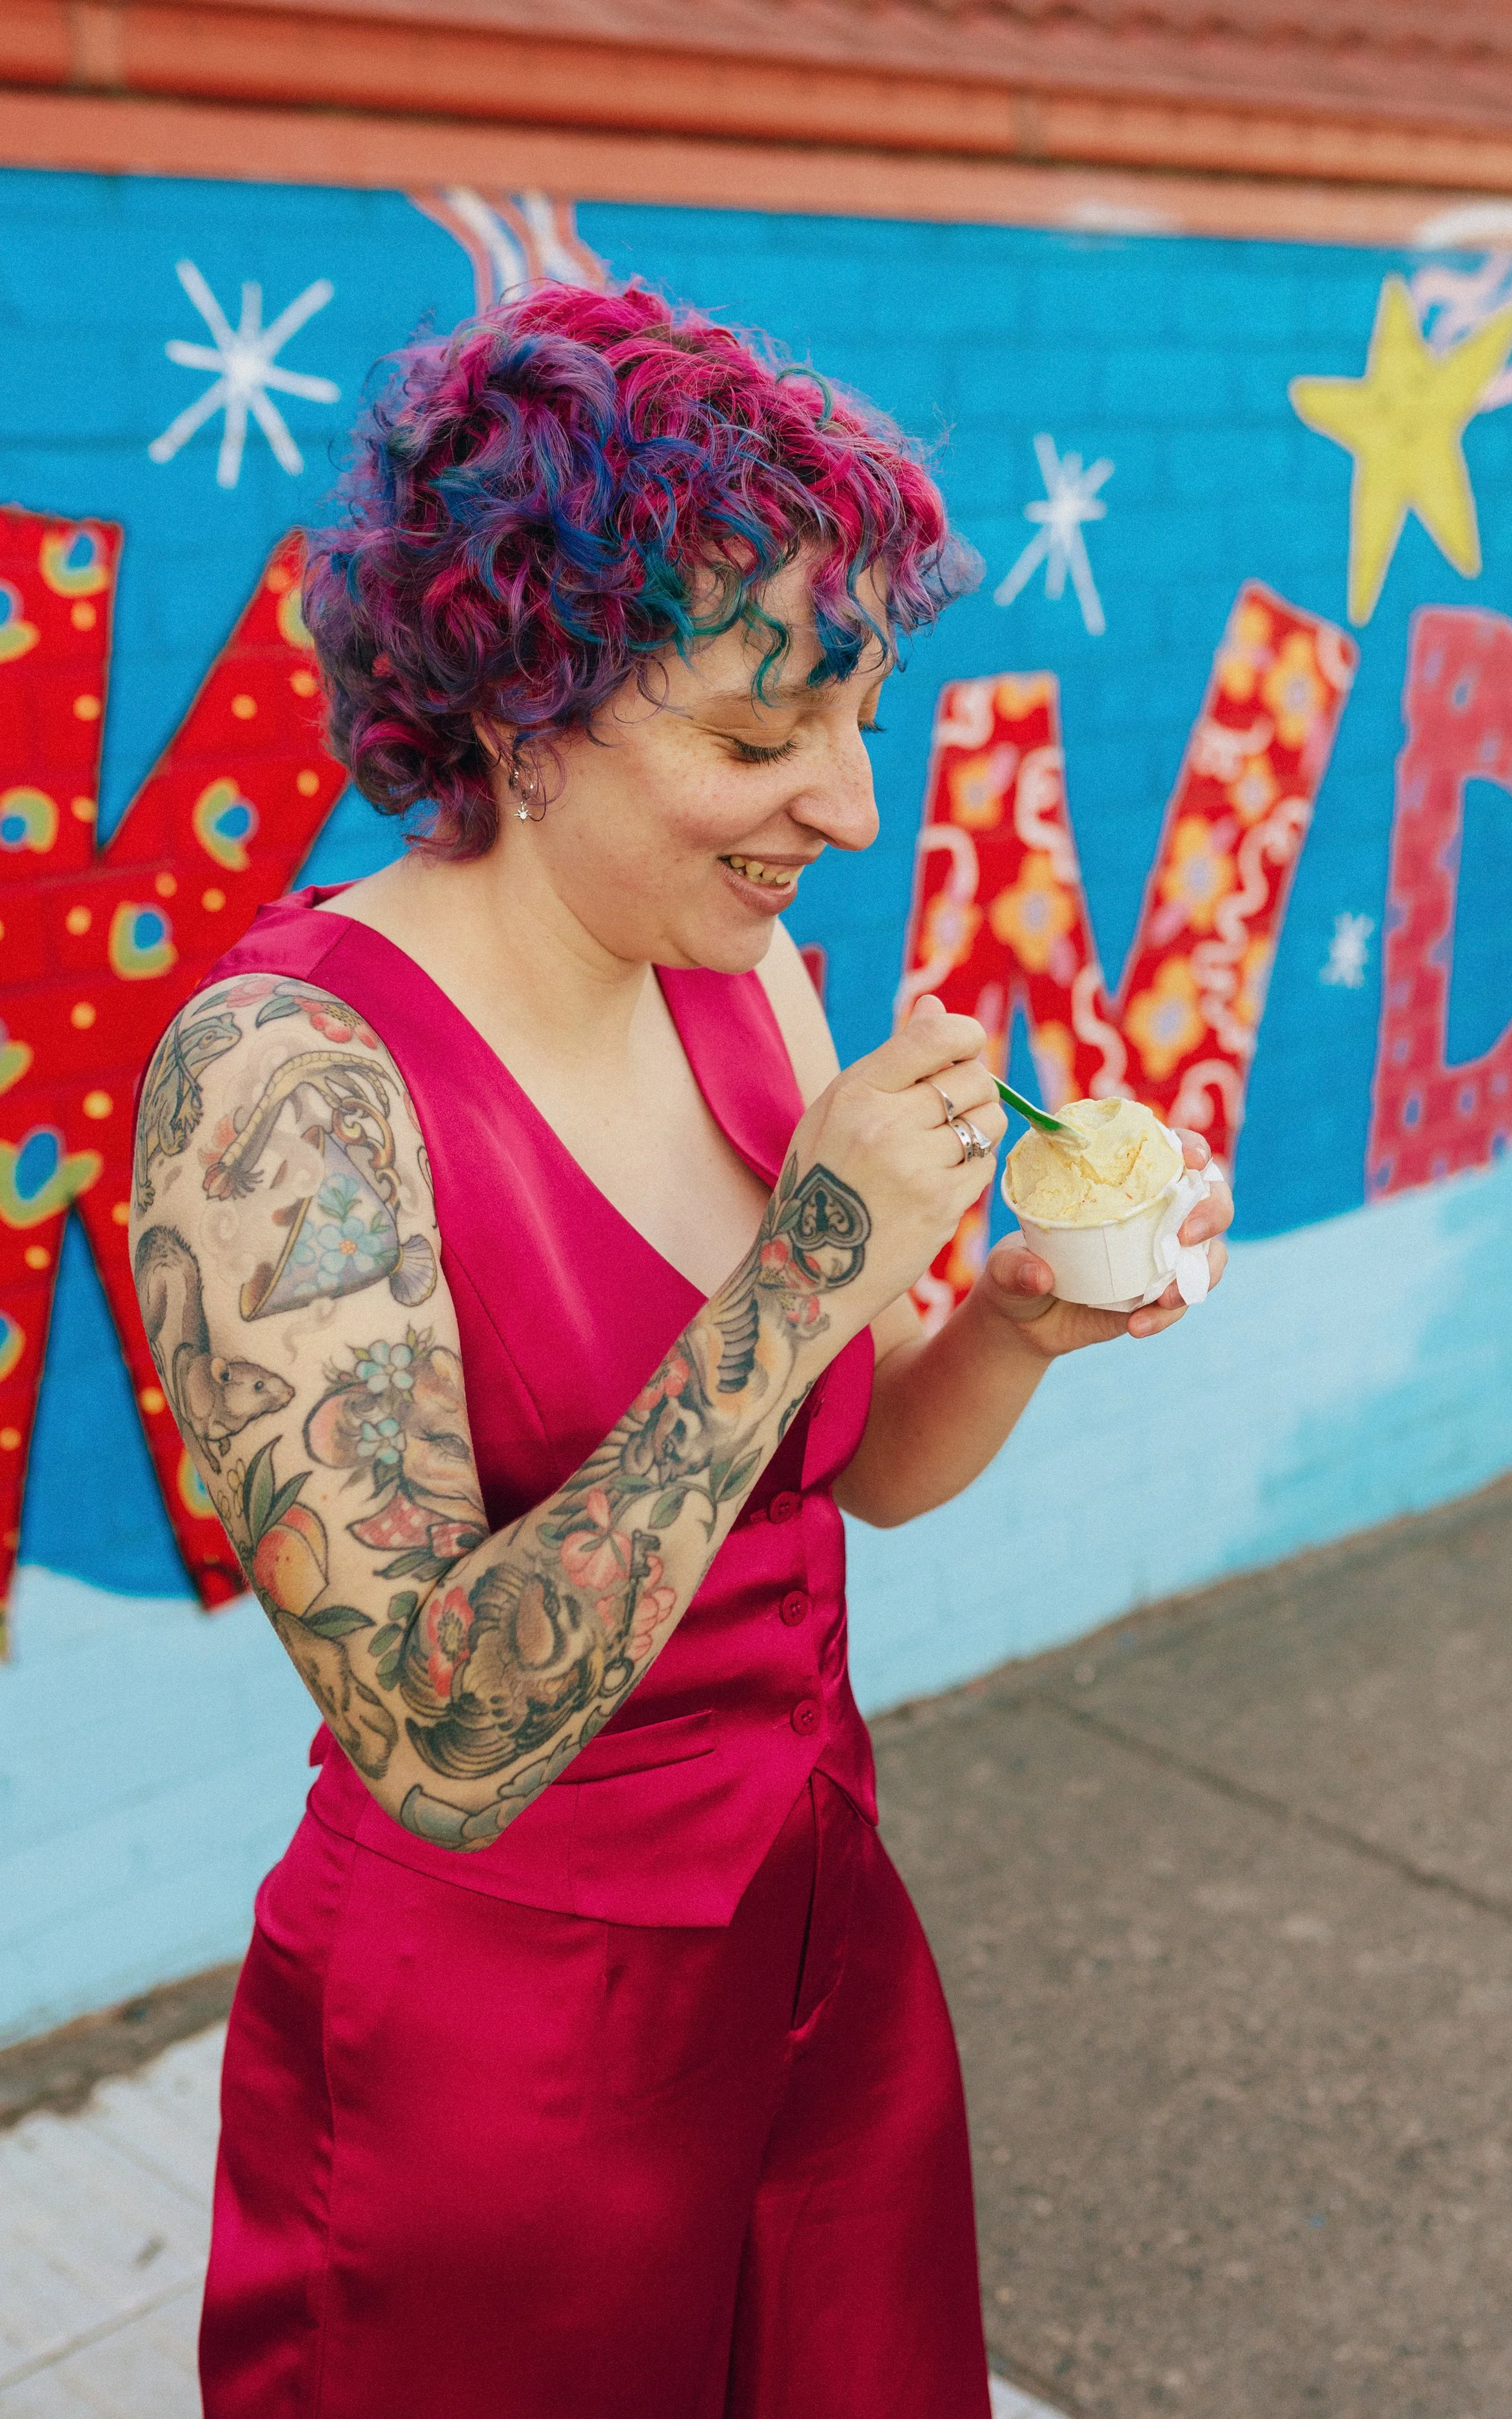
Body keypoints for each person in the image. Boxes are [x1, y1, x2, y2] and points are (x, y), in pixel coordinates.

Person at [132, 282, 1231, 2418]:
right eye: (754, 737)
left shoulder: (741, 976)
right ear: (525, 713)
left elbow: (842, 1481)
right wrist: (810, 1264)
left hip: (823, 1971)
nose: (842, 796)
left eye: (856, 712)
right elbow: (437, 1739)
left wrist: (1001, 1322)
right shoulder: (286, 1085)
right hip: (500, 2072)